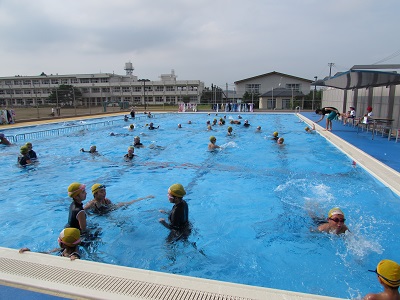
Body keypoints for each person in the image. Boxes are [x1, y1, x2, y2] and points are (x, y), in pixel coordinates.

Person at [84, 183, 154, 214]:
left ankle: (144, 198)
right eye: (101, 192)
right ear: (95, 194)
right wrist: (91, 215)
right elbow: (82, 211)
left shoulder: (106, 201)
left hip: (106, 213)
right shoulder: (91, 204)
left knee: (123, 204)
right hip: (100, 215)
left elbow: (112, 208)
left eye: (105, 191)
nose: (104, 193)